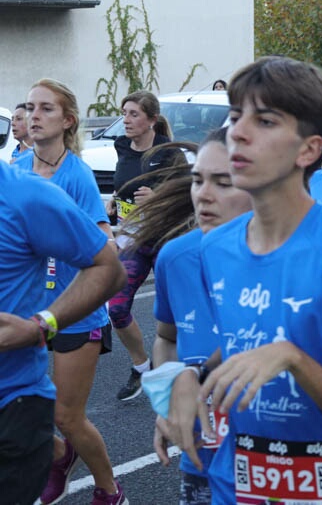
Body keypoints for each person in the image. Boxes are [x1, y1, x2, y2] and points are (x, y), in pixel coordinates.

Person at [160, 56, 322, 504]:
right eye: (236, 117)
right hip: (238, 486)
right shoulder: (216, 247)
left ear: (308, 151)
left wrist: (292, 357)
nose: (240, 132)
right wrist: (189, 378)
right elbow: (239, 342)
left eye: (265, 120)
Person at [16, 79, 125, 505]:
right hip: (29, 309)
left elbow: (104, 243)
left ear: (67, 121)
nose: (34, 115)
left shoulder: (75, 175)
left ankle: (109, 490)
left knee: (67, 415)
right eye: (30, 107)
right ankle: (60, 456)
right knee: (19, 404)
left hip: (76, 312)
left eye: (46, 108)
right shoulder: (17, 169)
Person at [138, 129, 253, 505]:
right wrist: (170, 397)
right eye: (198, 180)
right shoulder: (175, 256)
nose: (203, 195)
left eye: (223, 183)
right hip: (205, 454)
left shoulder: (310, 261)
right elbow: (167, 338)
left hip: (288, 460)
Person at [109, 90, 184, 402]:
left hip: (166, 240)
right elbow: (125, 184)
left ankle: (186, 371)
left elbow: (189, 193)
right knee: (116, 307)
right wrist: (117, 199)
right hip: (133, 239)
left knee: (177, 313)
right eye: (124, 112)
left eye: (134, 114)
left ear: (152, 120)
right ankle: (142, 366)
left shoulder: (169, 153)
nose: (126, 120)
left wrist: (158, 199)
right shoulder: (122, 147)